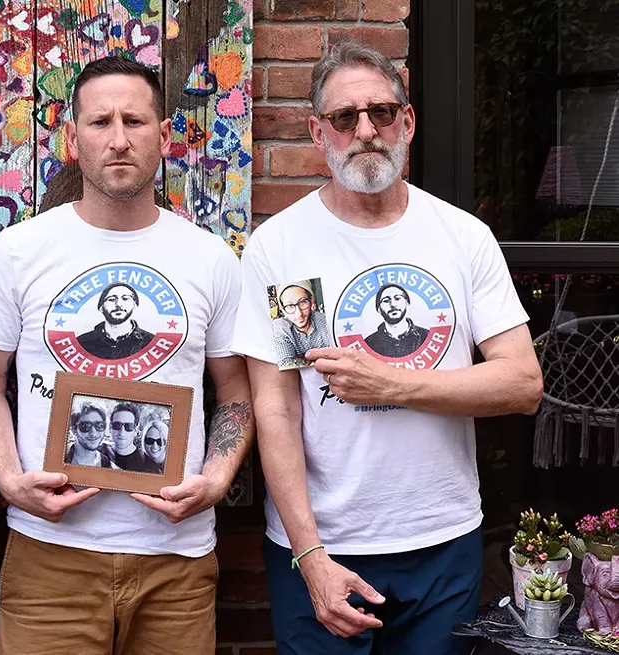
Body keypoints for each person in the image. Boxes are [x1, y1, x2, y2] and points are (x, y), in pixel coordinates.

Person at [231, 41, 543, 655]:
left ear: (409, 120)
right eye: (345, 118)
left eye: (381, 112)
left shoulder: (461, 236)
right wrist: (311, 557)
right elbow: (278, 411)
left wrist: (393, 385)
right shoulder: (282, 247)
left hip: (442, 539)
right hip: (322, 545)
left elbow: (523, 385)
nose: (365, 131)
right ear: (319, 133)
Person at [0, 55, 254, 655]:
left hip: (177, 561)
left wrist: (218, 477)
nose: (118, 139)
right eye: (99, 122)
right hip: (50, 556)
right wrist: (11, 481)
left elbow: (237, 389)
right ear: (72, 139)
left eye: (135, 121)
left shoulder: (212, 259)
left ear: (164, 137)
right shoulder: (19, 252)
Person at [76, 282, 156, 359]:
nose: (119, 304)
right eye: (112, 299)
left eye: (125, 298)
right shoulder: (82, 343)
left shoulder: (151, 342)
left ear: (134, 306)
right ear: (101, 308)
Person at [272, 281, 332, 368]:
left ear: (311, 301)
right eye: (290, 306)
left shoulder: (324, 320)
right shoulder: (280, 326)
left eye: (302, 302)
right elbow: (285, 364)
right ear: (282, 309)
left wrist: (300, 360)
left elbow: (336, 355)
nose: (299, 314)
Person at [364, 283, 429, 358]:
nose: (393, 304)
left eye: (397, 298)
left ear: (407, 303)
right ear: (379, 309)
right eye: (386, 301)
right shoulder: (369, 343)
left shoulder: (425, 336)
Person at [66, 401, 114, 468]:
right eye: (85, 426)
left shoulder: (107, 464)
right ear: (74, 430)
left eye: (99, 426)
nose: (93, 434)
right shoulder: (62, 456)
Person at [109, 402, 146, 471]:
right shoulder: (100, 455)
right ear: (110, 428)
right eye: (117, 425)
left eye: (128, 426)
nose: (122, 432)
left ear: (136, 430)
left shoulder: (146, 464)